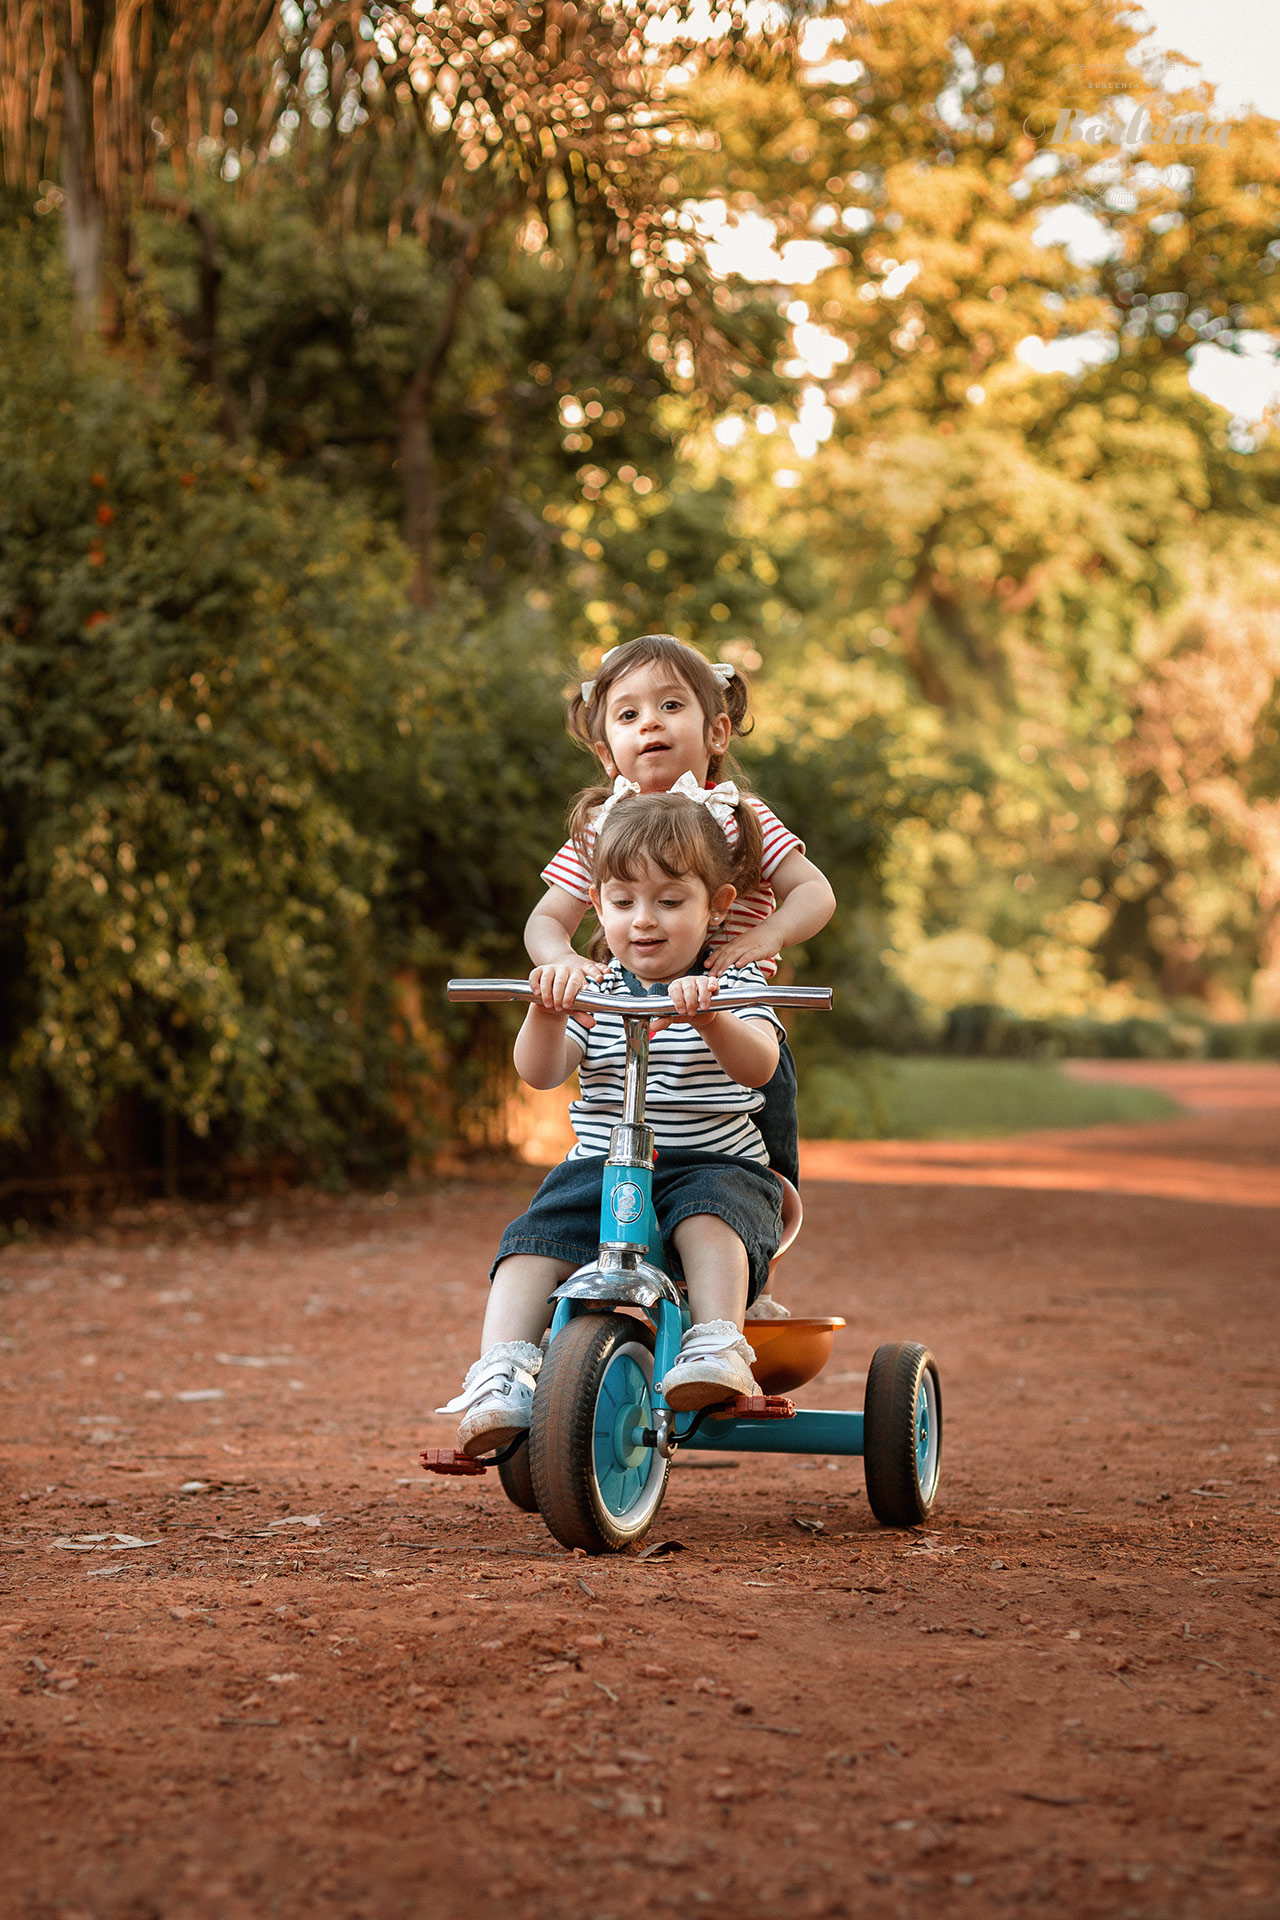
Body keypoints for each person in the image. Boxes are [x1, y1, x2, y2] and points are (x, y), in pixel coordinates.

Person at [438, 790, 790, 1458]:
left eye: (669, 901)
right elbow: (540, 1072)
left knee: (708, 1210)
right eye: (623, 901)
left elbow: (760, 1066)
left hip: (715, 1167)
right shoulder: (594, 988)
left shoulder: (735, 982)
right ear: (596, 906)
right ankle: (503, 1371)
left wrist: (711, 1017)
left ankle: (717, 1341)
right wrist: (546, 1008)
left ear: (717, 904)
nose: (643, 920)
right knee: (531, 1238)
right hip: (601, 1169)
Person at [524, 633, 835, 1314]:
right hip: (637, 1007)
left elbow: (814, 892)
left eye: (670, 706)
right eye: (629, 715)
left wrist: (766, 935)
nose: (651, 724)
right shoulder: (601, 828)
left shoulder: (740, 818)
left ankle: (751, 1283)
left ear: (716, 730)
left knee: (751, 1152)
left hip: (733, 1015)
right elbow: (545, 923)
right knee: (623, 1140)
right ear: (607, 749)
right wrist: (565, 963)